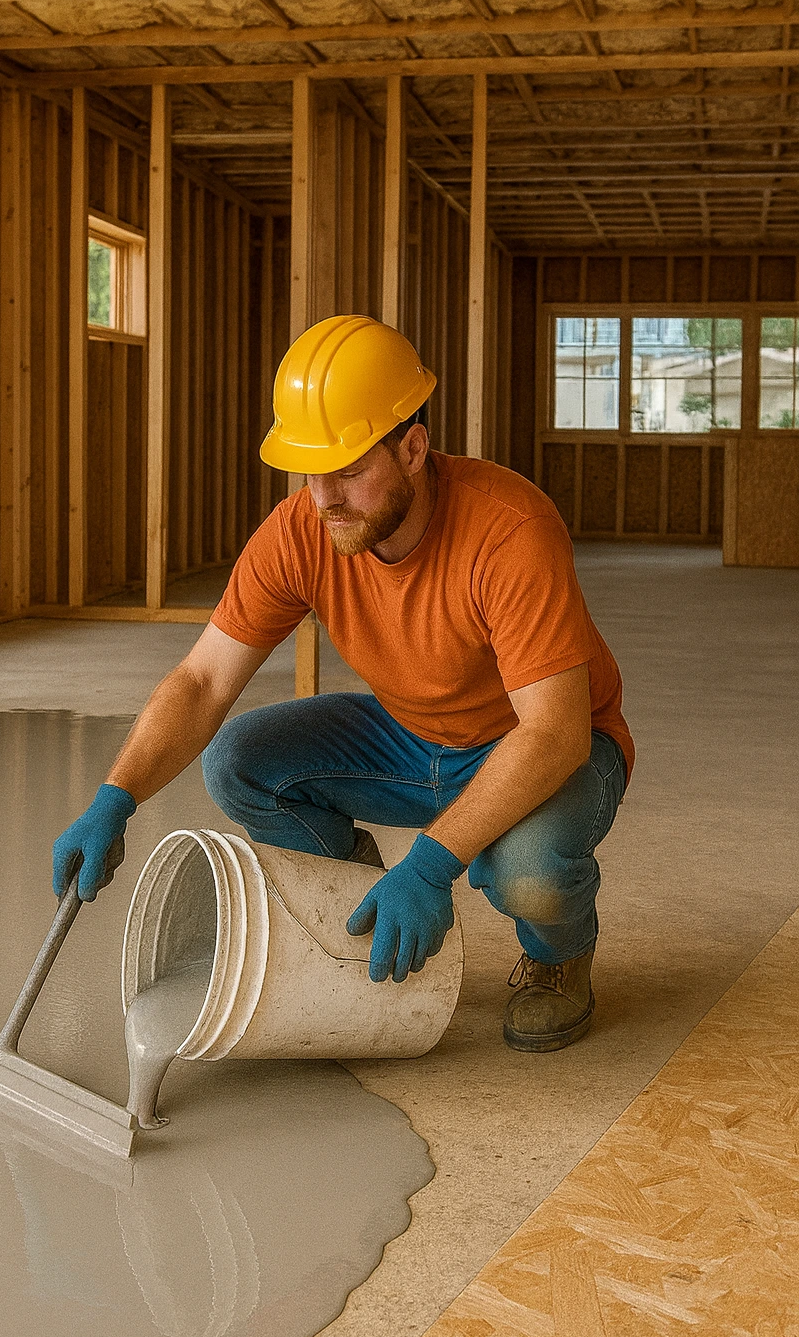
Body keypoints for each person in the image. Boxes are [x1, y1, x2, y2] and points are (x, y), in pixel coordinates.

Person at [53, 314, 633, 1053]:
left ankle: (558, 959)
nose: (325, 497)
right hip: (414, 737)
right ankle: (356, 900)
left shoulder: (509, 530)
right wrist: (116, 797)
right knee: (240, 760)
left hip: (547, 743)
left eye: (350, 471)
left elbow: (554, 732)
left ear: (413, 448)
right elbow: (202, 680)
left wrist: (431, 863)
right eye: (310, 471)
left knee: (528, 873)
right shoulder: (304, 529)